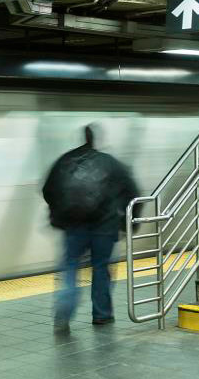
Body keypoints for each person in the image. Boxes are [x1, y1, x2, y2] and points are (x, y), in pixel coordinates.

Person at [42, 124, 139, 334]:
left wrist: (58, 214)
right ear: (96, 139)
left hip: (74, 227)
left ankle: (64, 312)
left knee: (70, 267)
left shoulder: (65, 160)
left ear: (82, 138)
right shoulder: (110, 162)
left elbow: (47, 189)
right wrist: (130, 223)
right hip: (104, 228)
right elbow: (133, 191)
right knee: (101, 268)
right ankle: (102, 315)